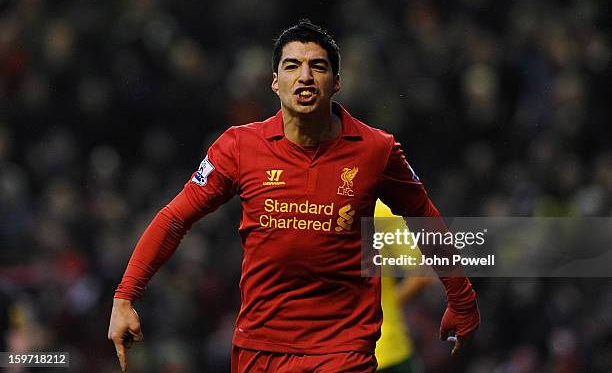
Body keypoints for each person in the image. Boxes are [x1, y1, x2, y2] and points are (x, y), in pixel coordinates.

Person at [108, 19, 480, 373]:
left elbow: (423, 217)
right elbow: (175, 219)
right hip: (260, 349)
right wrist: (125, 297)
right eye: (292, 66)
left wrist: (461, 298)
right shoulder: (239, 147)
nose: (304, 76)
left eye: (318, 66)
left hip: (343, 349)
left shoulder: (376, 150)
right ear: (275, 82)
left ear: (336, 83)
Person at [374, 199, 434, 373]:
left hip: (325, 354)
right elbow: (422, 272)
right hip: (385, 348)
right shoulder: (378, 210)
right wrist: (386, 306)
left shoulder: (302, 213)